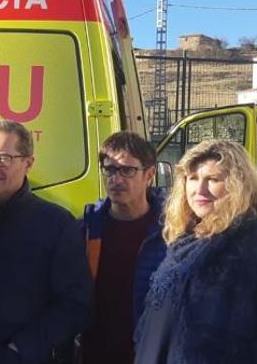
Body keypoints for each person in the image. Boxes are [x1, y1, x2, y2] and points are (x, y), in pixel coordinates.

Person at [134, 140, 257, 363]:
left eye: (213, 179)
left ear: (237, 185)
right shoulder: (187, 237)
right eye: (192, 178)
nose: (199, 189)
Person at [0, 120, 92, 364]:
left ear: (28, 163)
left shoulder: (56, 224)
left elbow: (76, 303)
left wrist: (21, 349)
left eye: (3, 158)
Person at [79, 131, 166, 364]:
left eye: (127, 170)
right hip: (95, 352)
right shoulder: (86, 228)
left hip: (148, 353)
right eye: (110, 169)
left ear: (149, 175)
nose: (116, 179)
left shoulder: (171, 231)